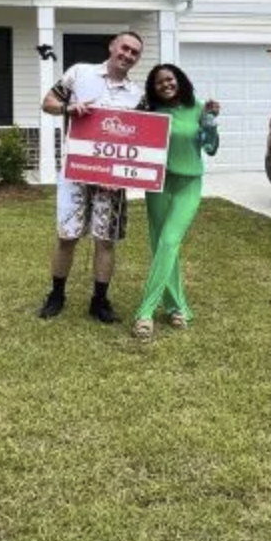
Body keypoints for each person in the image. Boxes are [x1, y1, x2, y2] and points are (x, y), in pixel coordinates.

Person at [38, 31, 145, 323]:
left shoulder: (137, 95)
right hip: (75, 171)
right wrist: (68, 108)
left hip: (113, 179)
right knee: (67, 237)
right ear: (112, 46)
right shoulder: (79, 73)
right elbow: (47, 102)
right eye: (124, 48)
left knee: (106, 240)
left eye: (134, 52)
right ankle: (56, 295)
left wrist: (125, 176)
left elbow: (140, 140)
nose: (128, 55)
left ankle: (99, 301)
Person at [132, 64, 220, 339]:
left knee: (170, 241)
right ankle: (175, 308)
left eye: (169, 79)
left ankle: (145, 312)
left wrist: (210, 123)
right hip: (158, 184)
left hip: (188, 184)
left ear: (179, 80)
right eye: (159, 82)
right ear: (153, 88)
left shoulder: (198, 107)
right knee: (161, 244)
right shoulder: (151, 112)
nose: (165, 85)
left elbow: (210, 147)